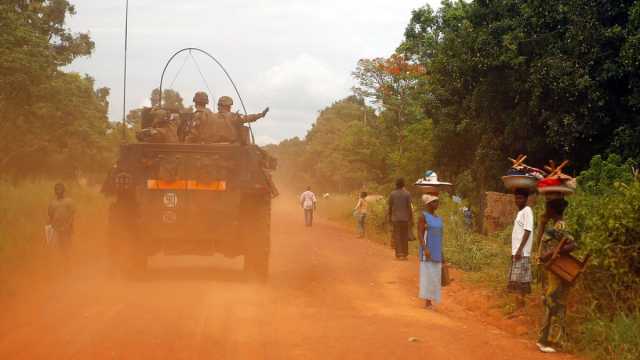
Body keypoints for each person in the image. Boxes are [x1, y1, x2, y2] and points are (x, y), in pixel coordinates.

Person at [536, 198, 576, 353]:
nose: (546, 211)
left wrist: (553, 252)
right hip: (549, 271)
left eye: (547, 208)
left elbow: (572, 244)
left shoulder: (560, 226)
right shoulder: (553, 226)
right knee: (552, 302)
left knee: (552, 302)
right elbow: (540, 243)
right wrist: (542, 223)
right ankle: (552, 340)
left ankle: (545, 340)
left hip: (555, 271)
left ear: (553, 210)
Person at [508, 188, 535, 309]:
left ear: (526, 199)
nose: (517, 200)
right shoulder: (520, 212)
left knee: (520, 282)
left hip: (522, 252)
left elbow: (528, 231)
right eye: (516, 198)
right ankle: (518, 307)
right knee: (517, 281)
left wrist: (519, 250)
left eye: (520, 198)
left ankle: (520, 307)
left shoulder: (527, 211)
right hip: (517, 252)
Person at [418, 194, 443, 308]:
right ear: (428, 204)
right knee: (428, 275)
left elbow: (440, 236)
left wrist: (442, 253)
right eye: (434, 202)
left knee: (435, 277)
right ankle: (428, 302)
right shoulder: (423, 216)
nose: (437, 204)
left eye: (437, 202)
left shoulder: (438, 218)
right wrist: (425, 248)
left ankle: (431, 300)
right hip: (428, 251)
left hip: (437, 250)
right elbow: (420, 234)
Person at [48, 183, 76, 257]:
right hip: (56, 229)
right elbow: (50, 216)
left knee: (67, 247)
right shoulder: (52, 203)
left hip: (67, 228)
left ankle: (67, 263)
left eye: (60, 189)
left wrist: (69, 225)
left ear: (64, 190)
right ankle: (60, 262)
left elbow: (72, 215)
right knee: (58, 248)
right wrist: (52, 228)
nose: (58, 191)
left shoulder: (69, 201)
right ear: (55, 191)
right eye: (57, 189)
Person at [388, 178, 413, 260]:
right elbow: (409, 207)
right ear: (403, 185)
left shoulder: (392, 194)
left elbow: (390, 207)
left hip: (395, 219)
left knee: (397, 236)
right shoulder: (407, 194)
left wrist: (389, 217)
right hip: (405, 219)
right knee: (404, 236)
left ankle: (399, 254)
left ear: (396, 185)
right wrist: (411, 218)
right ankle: (405, 254)